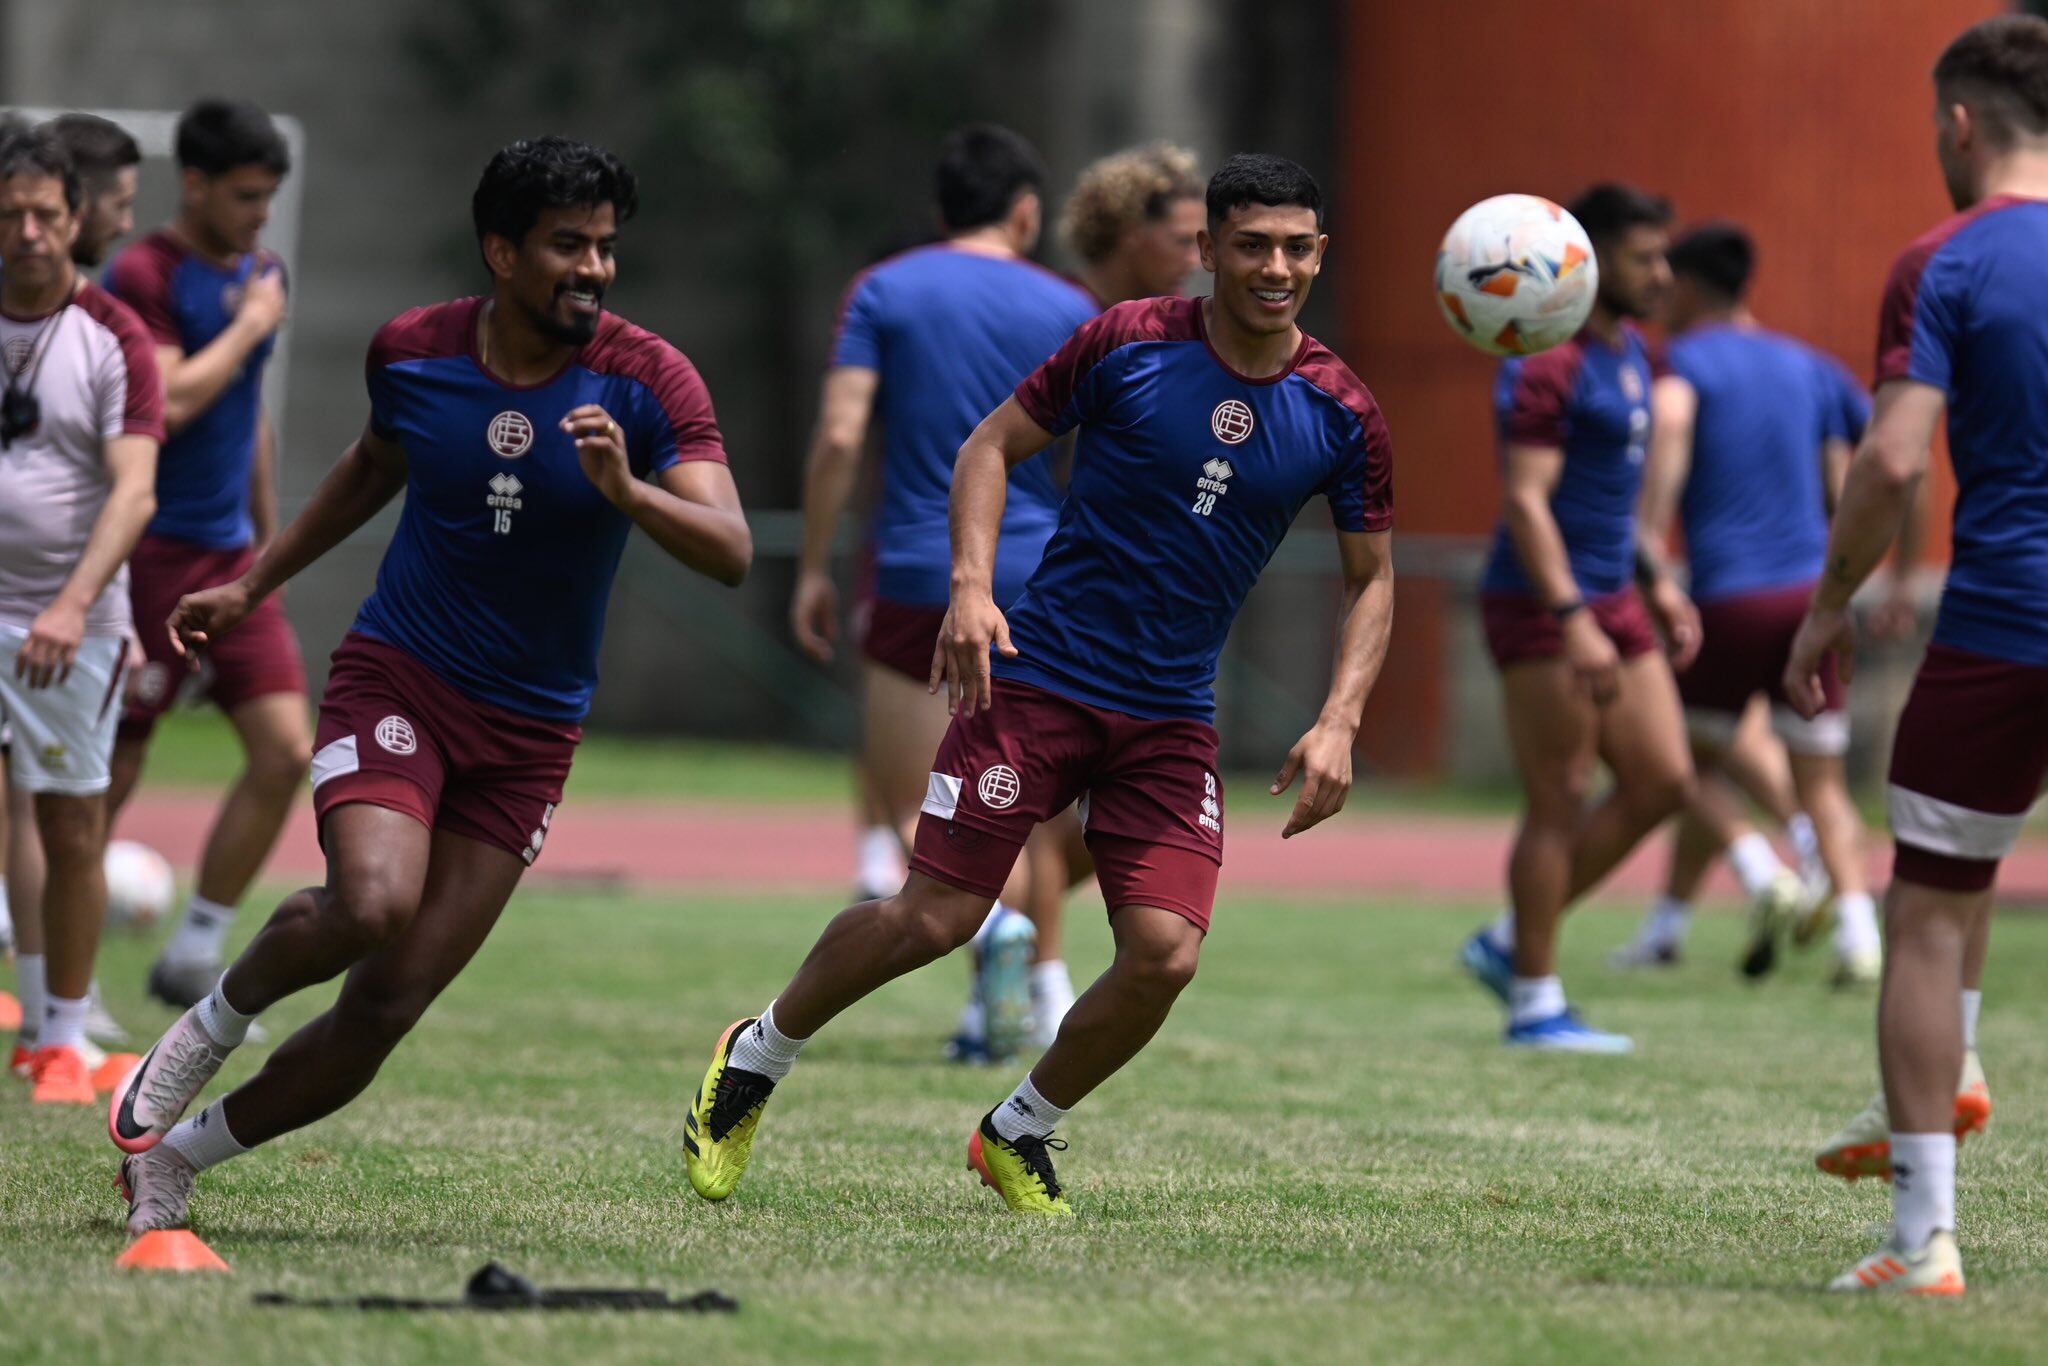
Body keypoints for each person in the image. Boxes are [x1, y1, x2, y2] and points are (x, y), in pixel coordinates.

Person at [686, 153, 1395, 1216]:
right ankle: (757, 1052)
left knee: (1162, 957)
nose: (1274, 267)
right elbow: (987, 448)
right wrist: (970, 588)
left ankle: (1016, 1130)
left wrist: (1339, 718)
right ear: (1207, 250)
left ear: (1319, 253)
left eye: (1295, 247)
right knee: (935, 919)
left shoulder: (1341, 411)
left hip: (1167, 714)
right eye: (1250, 245)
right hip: (1040, 681)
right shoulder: (1128, 341)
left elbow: (1371, 578)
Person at [109, 136, 752, 1237]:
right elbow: (371, 466)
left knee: (388, 1004)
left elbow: (730, 546)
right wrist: (249, 583)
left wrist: (627, 491)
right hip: (401, 676)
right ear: (501, 252)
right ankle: (208, 1023)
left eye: (605, 247)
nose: (593, 267)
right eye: (566, 245)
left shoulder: (648, 378)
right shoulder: (411, 353)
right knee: (369, 901)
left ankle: (175, 1159)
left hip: (532, 732)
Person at [1784, 14, 2048, 1296]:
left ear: (1957, 123)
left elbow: (1891, 458)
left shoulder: (1942, 260)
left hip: (2005, 621)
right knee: (1956, 898)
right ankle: (1962, 1066)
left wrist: (1831, 602)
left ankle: (1921, 1238)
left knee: (1931, 910)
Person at [790, 126, 1096, 1060]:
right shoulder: (1072, 303)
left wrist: (811, 565)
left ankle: (995, 950)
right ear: (1028, 212)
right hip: (1039, 573)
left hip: (921, 573)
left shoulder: (885, 288)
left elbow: (842, 435)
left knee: (917, 813)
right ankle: (1020, 986)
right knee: (1029, 805)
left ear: (939, 212)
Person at [1458, 184, 1697, 1054]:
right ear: (1588, 263)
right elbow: (1527, 503)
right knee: (1558, 797)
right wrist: (1571, 615)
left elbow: (1618, 509)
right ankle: (1533, 1003)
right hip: (1542, 603)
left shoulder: (1634, 352)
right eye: (1645, 258)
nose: (1663, 274)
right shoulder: (1545, 358)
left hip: (1617, 597)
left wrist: (1658, 581)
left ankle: (1508, 938)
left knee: (1665, 781)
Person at [1621, 222, 1883, 986]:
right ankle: (1858, 937)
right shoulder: (1815, 369)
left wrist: (1648, 551)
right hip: (1811, 600)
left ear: (1691, 289)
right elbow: (1860, 480)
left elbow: (1668, 434)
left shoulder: (1677, 364)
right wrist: (1875, 582)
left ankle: (1766, 870)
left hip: (1726, 598)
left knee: (1676, 761)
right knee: (1820, 783)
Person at [102, 99, 312, 1011]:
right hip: (146, 556)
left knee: (283, 753)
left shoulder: (261, 273)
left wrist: (268, 549)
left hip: (230, 561)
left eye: (270, 195)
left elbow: (245, 418)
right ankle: (53, 972)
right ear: (193, 185)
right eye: (245, 195)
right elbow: (173, 398)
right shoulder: (142, 272)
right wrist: (251, 325)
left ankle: (193, 952)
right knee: (105, 773)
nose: (262, 213)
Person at [0, 124, 163, 1103]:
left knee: (71, 820)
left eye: (45, 214)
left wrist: (72, 603)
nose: (27, 232)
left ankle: (63, 1036)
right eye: (10, 214)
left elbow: (134, 491)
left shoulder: (114, 337)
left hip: (67, 624)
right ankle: (27, 1016)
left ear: (75, 218)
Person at [1061, 141, 1204, 308]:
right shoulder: (1056, 313)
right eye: (1183, 241)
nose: (1194, 262)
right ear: (1131, 230)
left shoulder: (1177, 313)